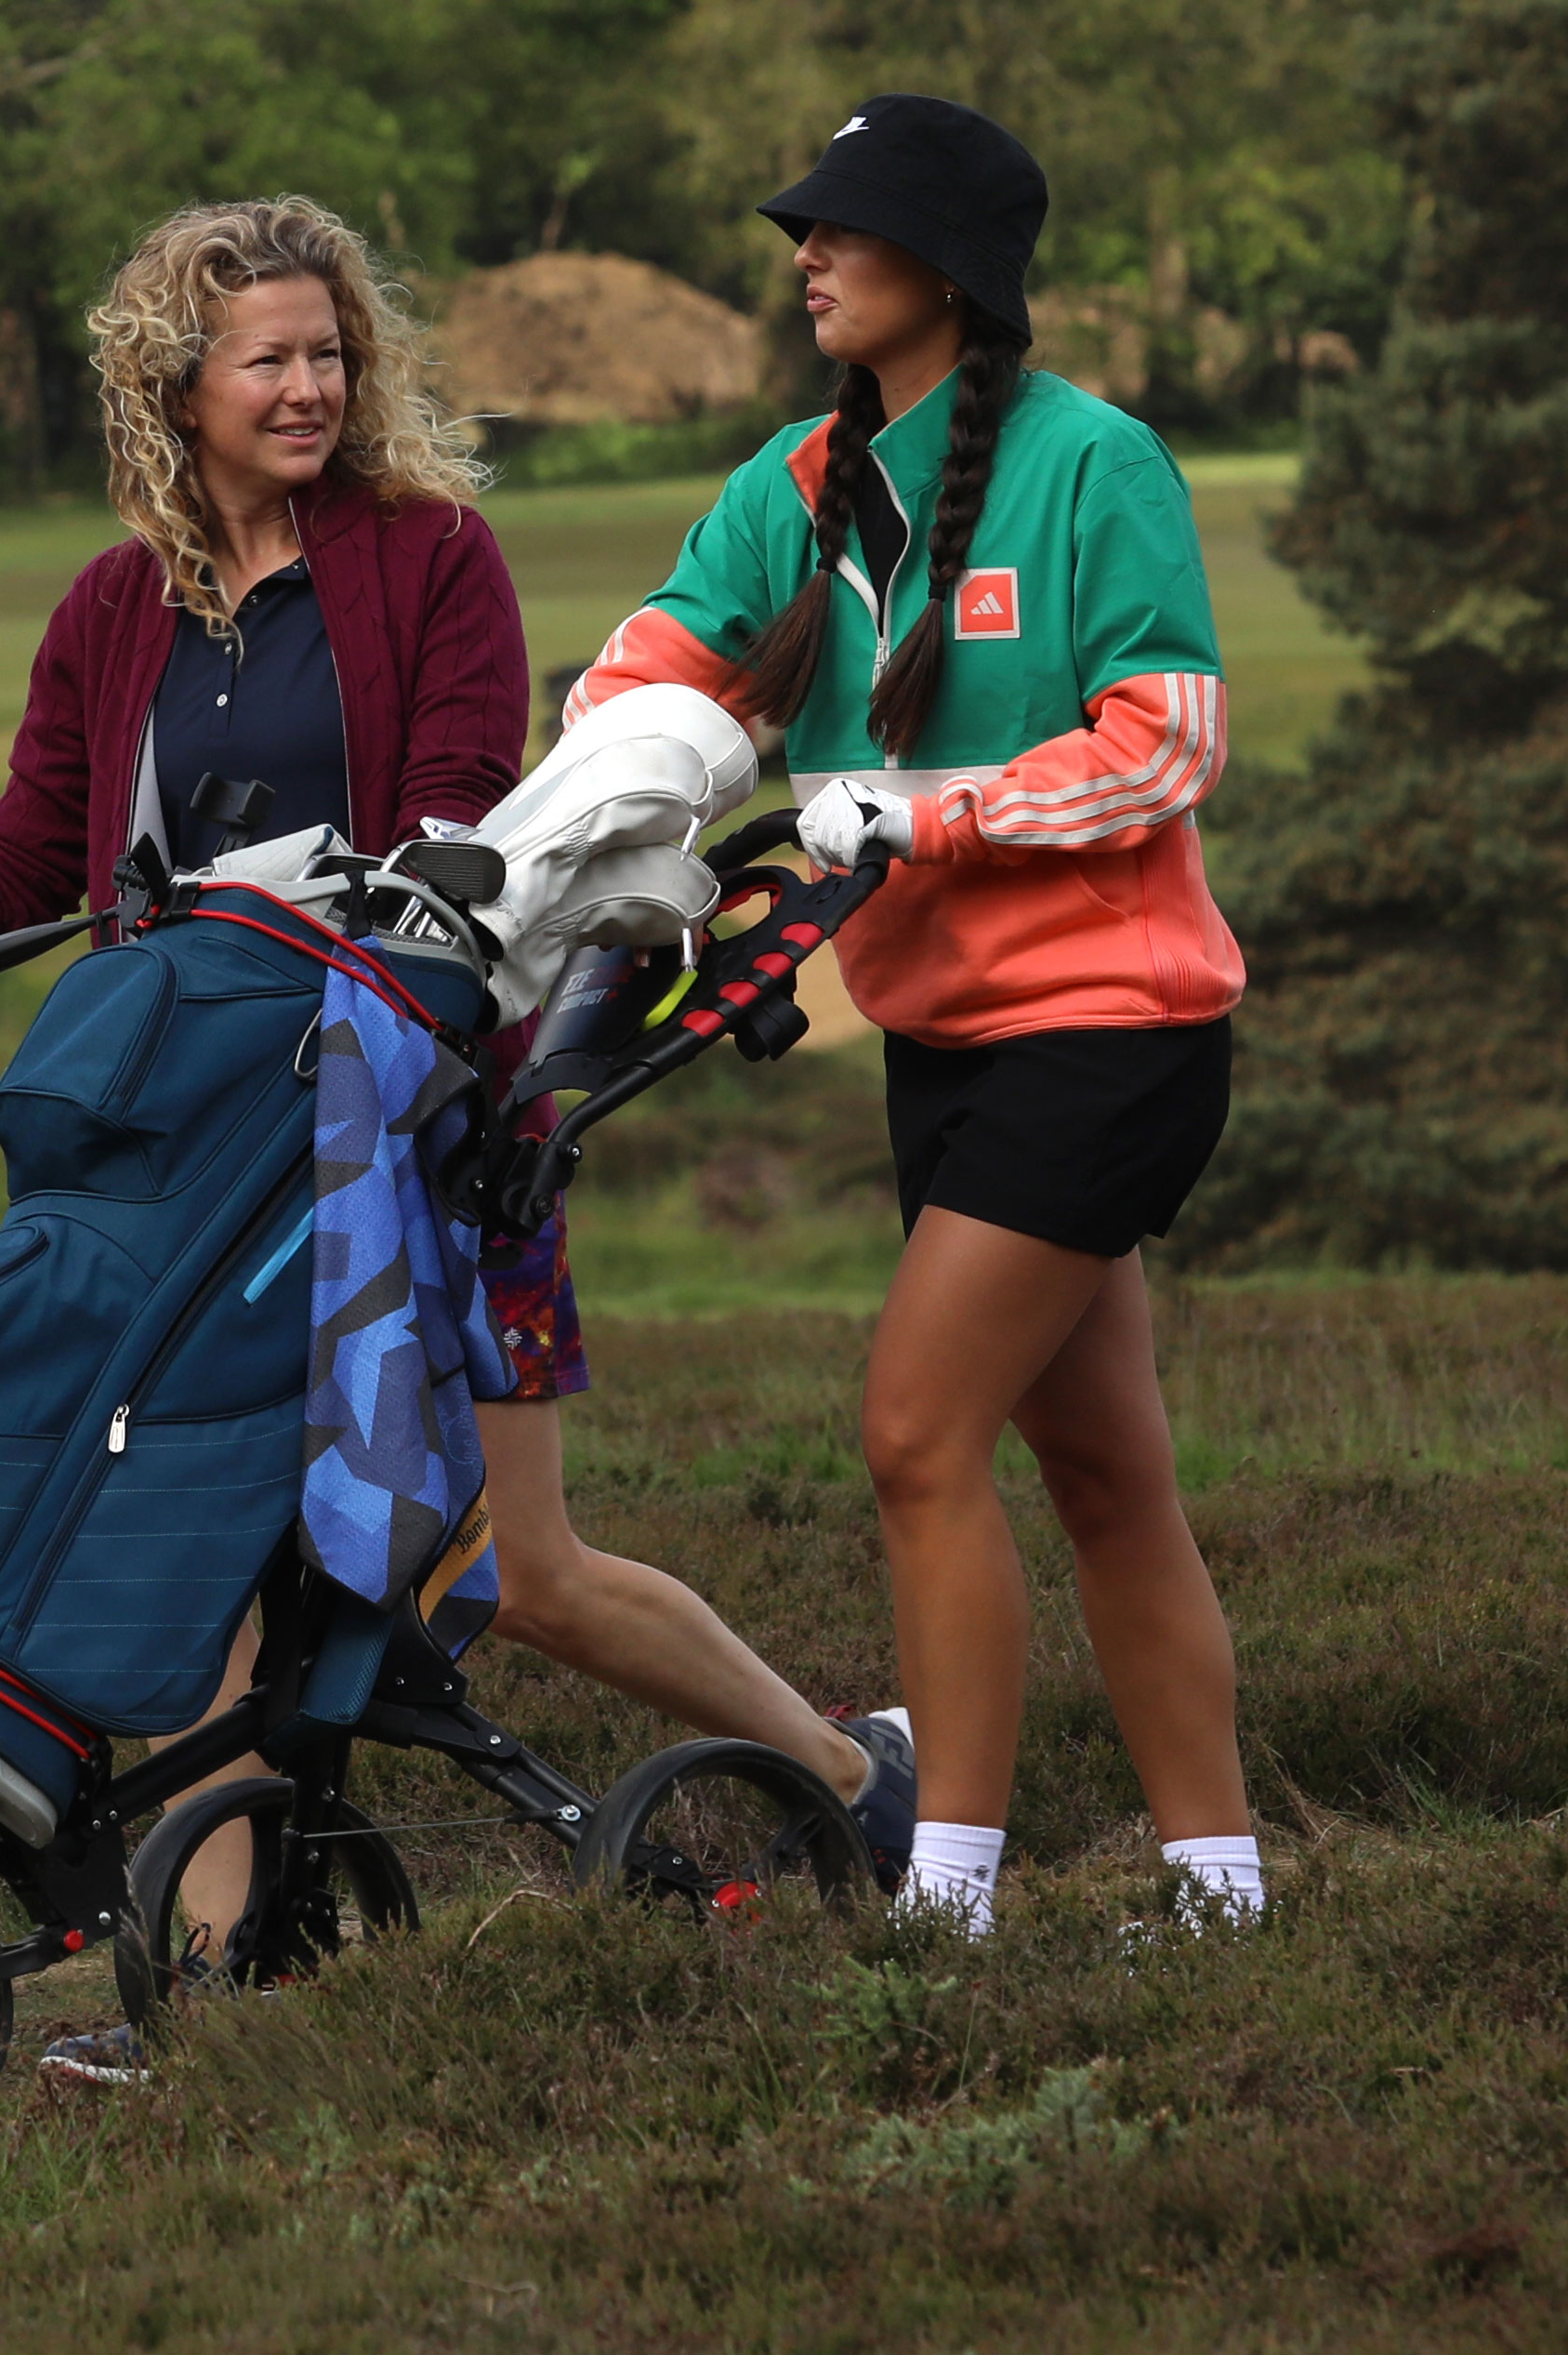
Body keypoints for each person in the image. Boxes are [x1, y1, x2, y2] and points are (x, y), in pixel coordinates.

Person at [0, 198, 913, 2014]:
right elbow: (17, 865)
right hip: (187, 1154)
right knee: (209, 1573)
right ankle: (230, 1987)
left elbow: (466, 831)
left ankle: (863, 1787)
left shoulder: (428, 563)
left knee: (523, 1572)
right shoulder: (111, 610)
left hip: (414, 1133)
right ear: (177, 382)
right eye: (269, 357)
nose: (310, 384)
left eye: (330, 353)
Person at [566, 99, 1258, 1934]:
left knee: (913, 1432)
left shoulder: (1092, 461)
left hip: (1112, 1033)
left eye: (843, 232)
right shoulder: (791, 484)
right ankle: (1222, 1895)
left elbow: (1164, 745)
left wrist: (923, 810)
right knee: (1106, 1470)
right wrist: (557, 813)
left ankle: (945, 1892)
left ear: (945, 271)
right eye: (803, 229)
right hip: (950, 1044)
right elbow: (657, 664)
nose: (807, 255)